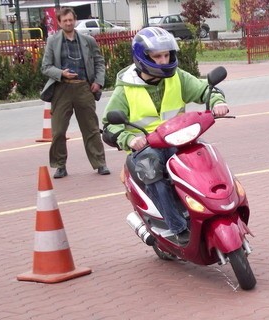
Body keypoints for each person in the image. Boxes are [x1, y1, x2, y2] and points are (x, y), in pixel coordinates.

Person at [102, 26, 229, 245]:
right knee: (152, 169)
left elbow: (204, 89)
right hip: (147, 146)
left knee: (205, 155)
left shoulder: (177, 77)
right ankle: (178, 227)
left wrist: (218, 102)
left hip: (179, 138)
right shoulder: (126, 88)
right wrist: (130, 139)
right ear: (143, 58)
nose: (164, 60)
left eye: (167, 54)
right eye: (157, 56)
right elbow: (108, 126)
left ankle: (218, 205)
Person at [40, 7, 109, 179]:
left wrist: (98, 82)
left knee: (91, 129)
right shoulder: (53, 41)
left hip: (84, 88)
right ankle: (60, 165)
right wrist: (61, 73)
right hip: (62, 89)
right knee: (58, 131)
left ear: (75, 20)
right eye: (65, 21)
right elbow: (46, 67)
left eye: (71, 20)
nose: (69, 23)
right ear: (59, 23)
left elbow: (99, 62)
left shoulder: (88, 40)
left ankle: (100, 163)